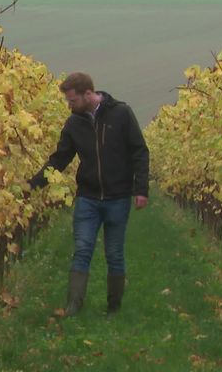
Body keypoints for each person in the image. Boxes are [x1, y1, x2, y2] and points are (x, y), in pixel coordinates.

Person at [28, 72, 149, 316]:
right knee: (82, 249)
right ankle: (73, 305)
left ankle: (114, 307)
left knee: (114, 253)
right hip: (88, 198)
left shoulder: (121, 114)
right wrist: (33, 184)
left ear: (88, 94)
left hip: (118, 196)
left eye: (72, 100)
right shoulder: (74, 123)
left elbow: (139, 151)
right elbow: (60, 158)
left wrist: (141, 189)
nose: (69, 105)